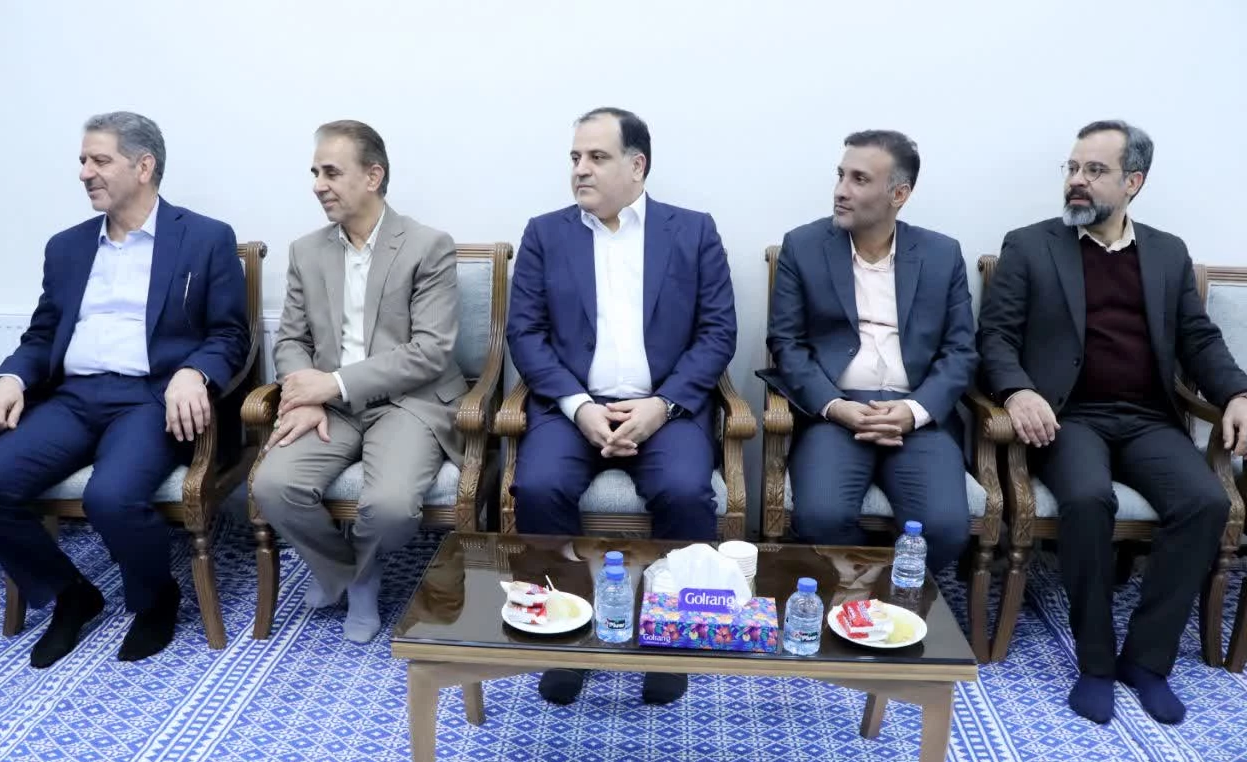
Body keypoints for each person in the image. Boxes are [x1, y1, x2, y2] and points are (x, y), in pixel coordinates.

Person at [977, 120, 1247, 725]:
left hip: (1149, 419)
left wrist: (1237, 392)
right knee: (1088, 499)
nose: (1077, 180)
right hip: (1070, 418)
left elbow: (1199, 339)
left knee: (1206, 502)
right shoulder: (1031, 245)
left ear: (1133, 182)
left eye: (1094, 170)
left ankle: (1147, 662)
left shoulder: (1167, 252)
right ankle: (1096, 663)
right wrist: (1018, 390)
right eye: (1073, 168)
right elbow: (994, 336)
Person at [0, 111, 249, 666]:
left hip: (150, 399)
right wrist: (10, 378)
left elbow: (229, 335)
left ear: (143, 167)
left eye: (99, 160)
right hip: (72, 399)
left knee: (111, 497)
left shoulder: (205, 238)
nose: (84, 173)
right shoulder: (67, 247)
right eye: (82, 161)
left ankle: (155, 599)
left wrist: (193, 372)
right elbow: (43, 335)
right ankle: (71, 593)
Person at [506, 107, 736, 706]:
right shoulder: (545, 234)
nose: (580, 170)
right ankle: (566, 635)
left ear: (637, 166)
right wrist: (579, 406)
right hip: (571, 408)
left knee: (686, 493)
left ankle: (671, 640)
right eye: (575, 158)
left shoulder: (693, 231)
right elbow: (525, 335)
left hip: (665, 410)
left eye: (596, 157)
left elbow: (717, 333)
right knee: (538, 487)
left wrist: (663, 406)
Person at [250, 120, 465, 644]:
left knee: (390, 507)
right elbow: (291, 339)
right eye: (315, 173)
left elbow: (430, 351)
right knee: (272, 486)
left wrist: (332, 384)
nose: (318, 185)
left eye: (331, 172)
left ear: (373, 176)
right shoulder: (306, 251)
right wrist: (303, 392)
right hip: (330, 407)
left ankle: (361, 571)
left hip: (408, 402)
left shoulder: (427, 246)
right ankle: (349, 574)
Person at [760, 130, 976, 572]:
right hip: (836, 414)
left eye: (859, 179)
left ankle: (890, 597)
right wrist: (835, 406)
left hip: (916, 415)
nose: (841, 190)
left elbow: (960, 352)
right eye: (841, 175)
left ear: (899, 194)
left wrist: (914, 411)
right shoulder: (803, 246)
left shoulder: (941, 254)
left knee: (945, 527)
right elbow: (787, 343)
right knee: (820, 519)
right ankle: (862, 590)